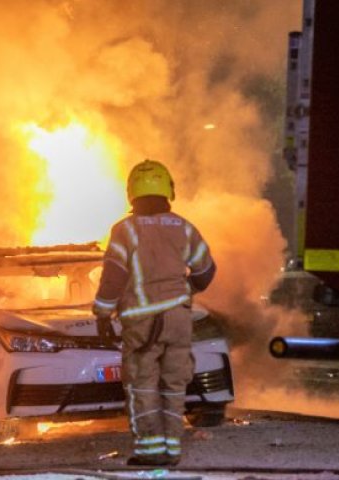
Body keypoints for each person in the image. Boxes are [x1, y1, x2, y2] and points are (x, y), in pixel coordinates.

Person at [92, 159, 216, 467]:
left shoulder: (126, 230)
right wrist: (183, 291)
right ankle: (172, 450)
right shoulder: (184, 228)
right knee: (174, 384)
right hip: (178, 319)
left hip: (144, 321)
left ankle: (150, 451)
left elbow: (114, 278)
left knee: (142, 383)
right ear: (168, 191)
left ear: (131, 193)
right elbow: (205, 272)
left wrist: (103, 314)